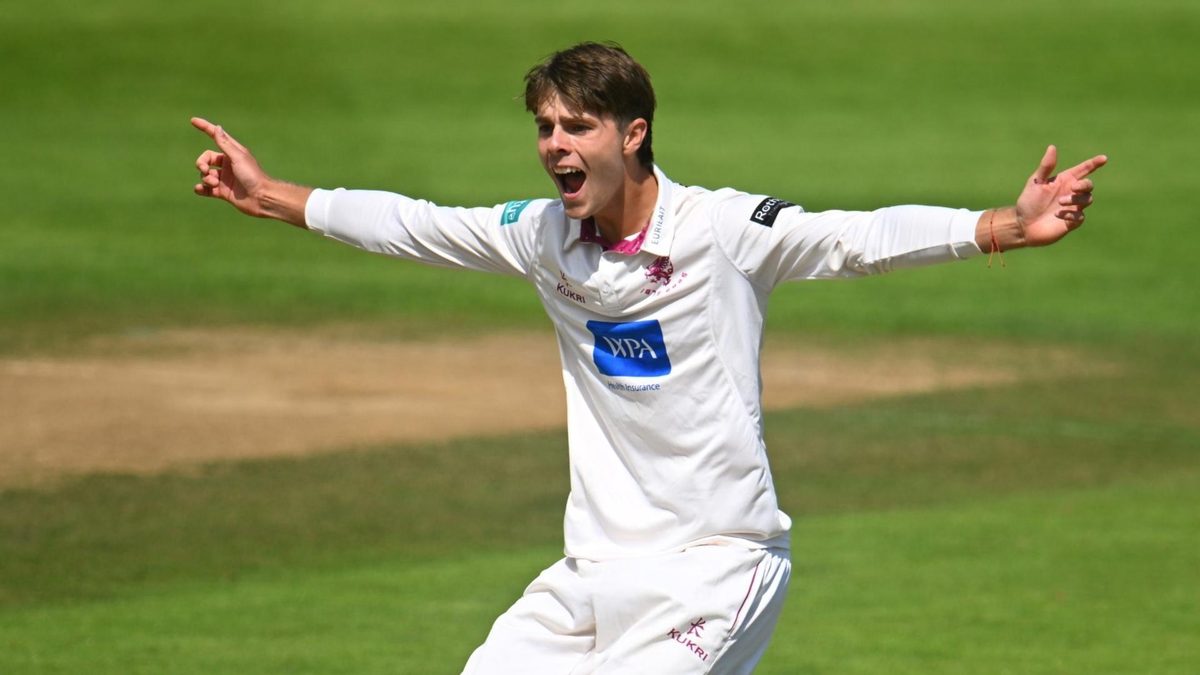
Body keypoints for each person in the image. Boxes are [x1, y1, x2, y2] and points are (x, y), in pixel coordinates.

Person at [191, 41, 1106, 674]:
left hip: (714, 564)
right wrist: (272, 194)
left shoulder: (723, 229)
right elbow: (415, 225)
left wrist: (1002, 227)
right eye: (546, 126)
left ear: (632, 134)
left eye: (578, 125)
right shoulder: (542, 234)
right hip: (591, 571)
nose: (556, 144)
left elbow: (857, 237)